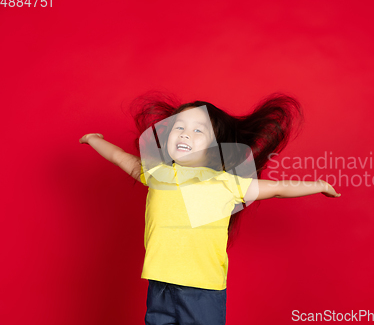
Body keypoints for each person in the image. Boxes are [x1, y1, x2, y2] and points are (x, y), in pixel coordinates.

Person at [79, 91, 341, 325]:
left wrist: (317, 185)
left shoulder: (227, 183)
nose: (184, 133)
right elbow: (119, 157)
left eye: (197, 130)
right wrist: (93, 139)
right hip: (159, 284)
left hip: (202, 289)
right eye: (178, 127)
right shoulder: (157, 173)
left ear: (214, 147)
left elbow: (277, 189)